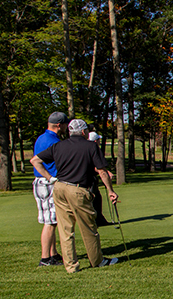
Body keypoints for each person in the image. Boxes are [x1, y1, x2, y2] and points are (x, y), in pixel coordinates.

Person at [30, 119, 119, 273]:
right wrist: (111, 190)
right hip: (78, 190)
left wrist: (50, 178)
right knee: (89, 228)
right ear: (84, 132)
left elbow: (35, 161)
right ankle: (97, 261)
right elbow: (102, 171)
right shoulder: (91, 146)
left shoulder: (59, 145)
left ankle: (71, 266)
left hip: (59, 189)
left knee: (65, 230)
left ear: (70, 131)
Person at [33, 111, 69, 267]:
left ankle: (53, 254)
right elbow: (36, 161)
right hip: (48, 183)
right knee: (50, 222)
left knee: (51, 220)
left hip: (40, 182)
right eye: (66, 124)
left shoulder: (42, 138)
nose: (67, 128)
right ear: (59, 125)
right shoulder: (53, 141)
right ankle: (45, 258)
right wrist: (50, 178)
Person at [88, 131, 112, 227]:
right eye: (98, 140)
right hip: (88, 179)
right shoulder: (91, 149)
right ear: (95, 141)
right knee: (92, 200)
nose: (99, 141)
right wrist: (106, 173)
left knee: (97, 198)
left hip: (93, 178)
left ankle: (100, 220)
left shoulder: (93, 149)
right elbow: (93, 166)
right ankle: (93, 222)